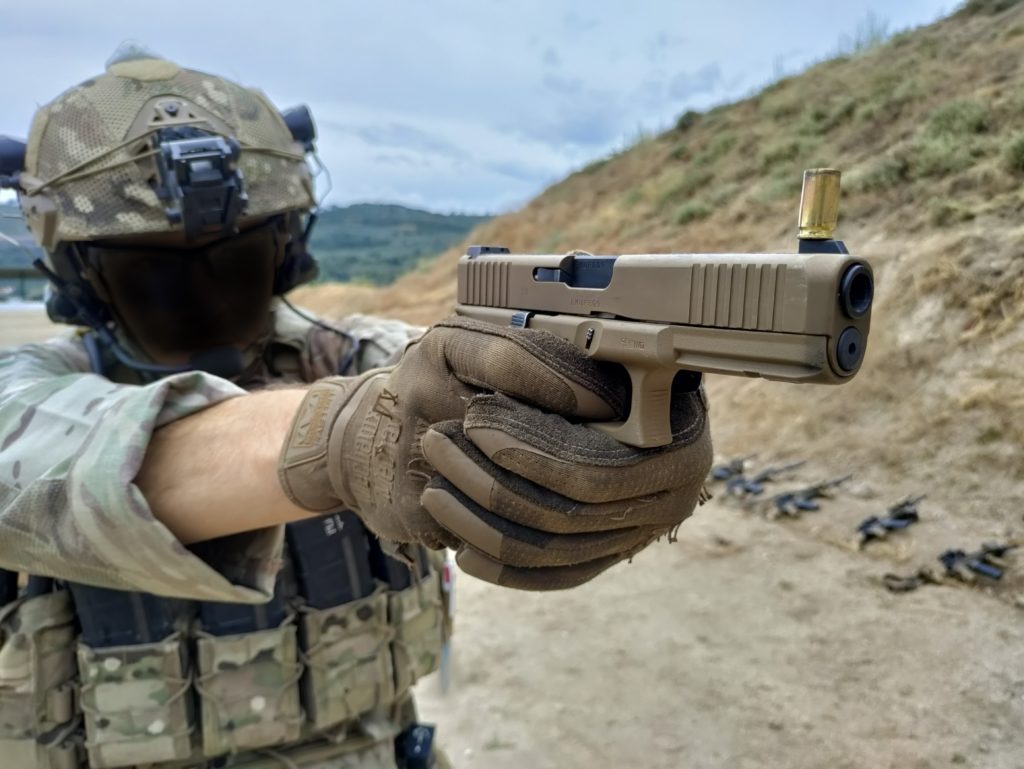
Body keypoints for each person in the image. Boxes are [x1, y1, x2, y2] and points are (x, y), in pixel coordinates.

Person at [0, 48, 712, 769]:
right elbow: (37, 454)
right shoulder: (33, 388)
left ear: (283, 255)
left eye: (236, 265)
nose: (206, 303)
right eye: (150, 276)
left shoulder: (354, 359)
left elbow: (456, 372)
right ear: (84, 279)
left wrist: (603, 412)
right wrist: (336, 436)